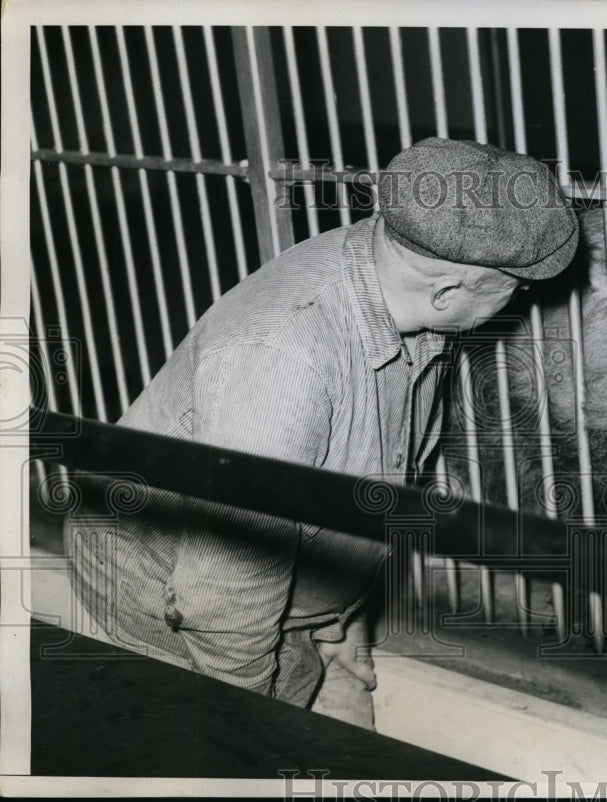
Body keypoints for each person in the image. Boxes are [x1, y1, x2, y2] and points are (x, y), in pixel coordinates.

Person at [63, 137, 579, 730]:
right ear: (446, 292)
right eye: (517, 288)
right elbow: (222, 595)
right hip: (180, 611)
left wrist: (344, 626)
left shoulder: (396, 280)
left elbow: (375, 474)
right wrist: (256, 728)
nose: (521, 299)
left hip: (297, 601)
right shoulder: (285, 360)